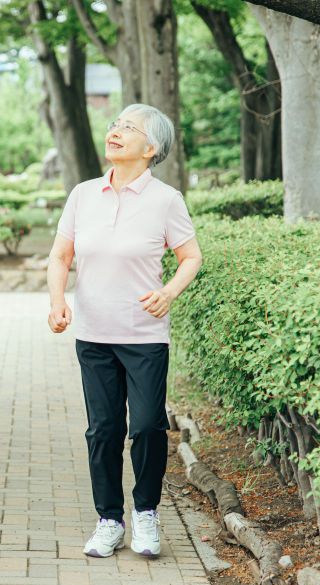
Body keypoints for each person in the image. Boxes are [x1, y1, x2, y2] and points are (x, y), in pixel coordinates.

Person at [46, 103, 203, 558]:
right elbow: (60, 257)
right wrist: (58, 302)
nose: (115, 131)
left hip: (144, 335)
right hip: (93, 334)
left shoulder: (166, 200)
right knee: (104, 429)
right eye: (115, 124)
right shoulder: (83, 194)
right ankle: (109, 520)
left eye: (128, 128)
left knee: (150, 426)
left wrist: (169, 292)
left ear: (150, 148)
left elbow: (191, 256)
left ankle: (146, 514)